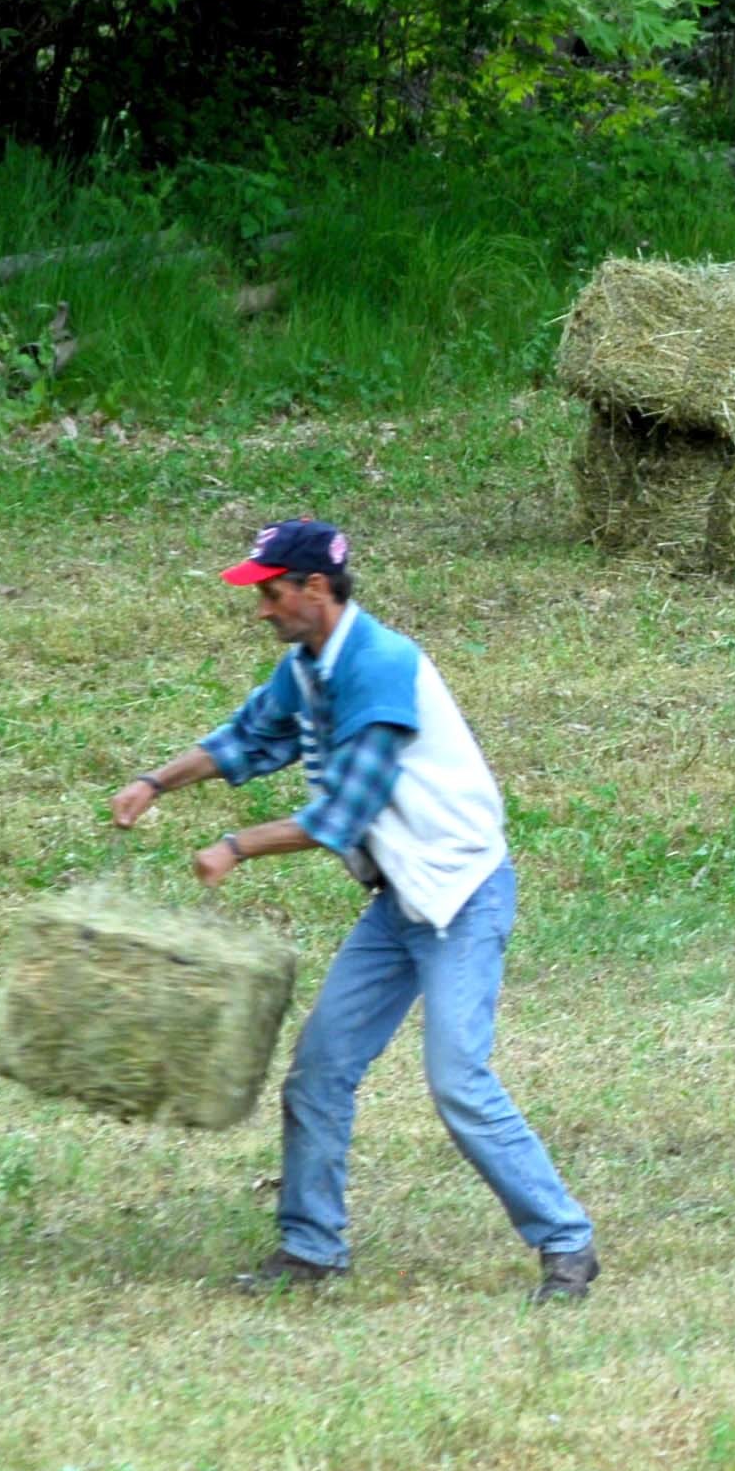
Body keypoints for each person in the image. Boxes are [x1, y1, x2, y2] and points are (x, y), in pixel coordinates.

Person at [109, 519, 598, 1304]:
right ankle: (310, 1251)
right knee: (320, 1072)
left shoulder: (379, 666)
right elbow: (248, 739)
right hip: (399, 900)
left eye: (271, 592)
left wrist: (236, 846)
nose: (260, 609)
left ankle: (567, 1244)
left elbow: (339, 815)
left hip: (461, 895)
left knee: (458, 1081)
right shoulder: (307, 667)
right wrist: (155, 783)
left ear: (315, 589)